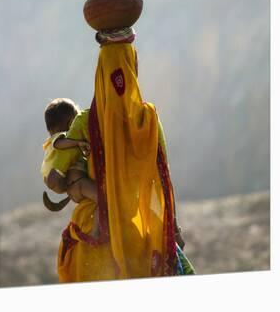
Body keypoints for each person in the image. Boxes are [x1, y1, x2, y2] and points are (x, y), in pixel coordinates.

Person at [51, 40, 195, 282]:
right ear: (134, 68)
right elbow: (163, 180)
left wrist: (76, 185)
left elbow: (56, 179)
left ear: (99, 74)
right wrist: (173, 228)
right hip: (137, 228)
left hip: (93, 229)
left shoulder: (84, 122)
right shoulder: (148, 120)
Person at [41, 98, 99, 225]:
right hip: (79, 183)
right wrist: (77, 142)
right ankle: (98, 232)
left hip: (72, 185)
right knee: (104, 200)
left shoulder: (60, 147)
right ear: (70, 122)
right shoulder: (60, 139)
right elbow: (59, 144)